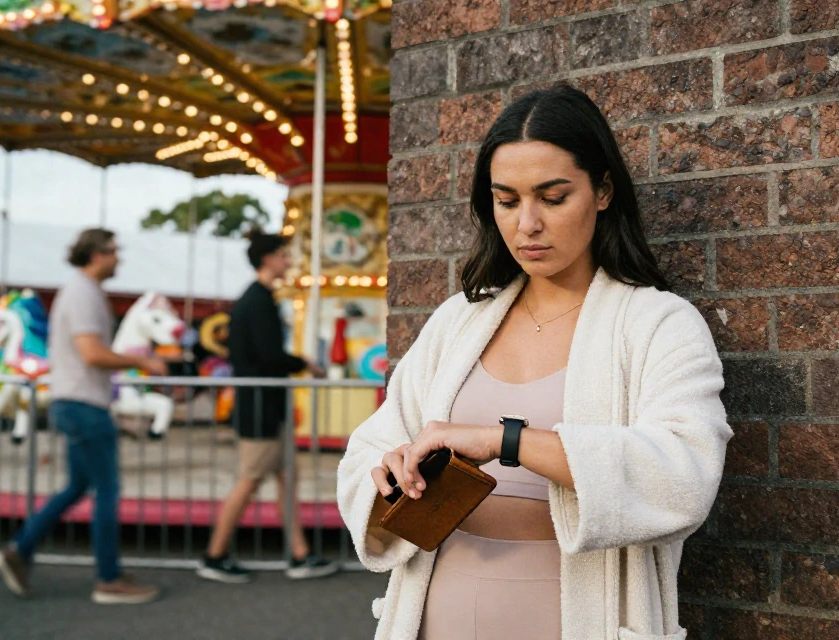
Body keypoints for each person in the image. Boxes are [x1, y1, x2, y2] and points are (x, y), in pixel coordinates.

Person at [336, 85, 733, 639]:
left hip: (578, 616)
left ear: (602, 191)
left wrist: (506, 441)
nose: (527, 224)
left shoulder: (658, 324)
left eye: (552, 197)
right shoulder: (458, 320)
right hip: (435, 609)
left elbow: (682, 475)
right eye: (507, 200)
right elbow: (370, 450)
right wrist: (390, 473)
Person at [0, 228, 168, 604]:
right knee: (108, 489)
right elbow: (92, 353)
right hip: (85, 403)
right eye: (114, 251)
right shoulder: (85, 294)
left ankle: (19, 550)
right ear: (97, 254)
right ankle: (108, 578)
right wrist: (142, 360)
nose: (119, 259)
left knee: (76, 487)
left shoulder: (80, 292)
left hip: (73, 400)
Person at [197, 230, 336, 583]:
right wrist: (303, 362)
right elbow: (269, 357)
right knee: (249, 480)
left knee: (287, 477)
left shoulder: (257, 299)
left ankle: (299, 554)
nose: (288, 261)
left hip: (267, 406)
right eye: (283, 255)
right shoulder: (257, 301)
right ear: (268, 259)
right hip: (260, 406)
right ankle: (214, 554)